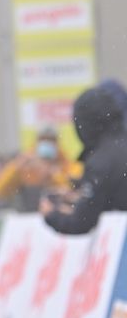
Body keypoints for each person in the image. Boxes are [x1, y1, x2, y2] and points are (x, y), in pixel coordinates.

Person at [40, 86, 127, 234]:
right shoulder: (116, 149)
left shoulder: (101, 161)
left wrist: (51, 214)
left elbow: (82, 221)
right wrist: (79, 191)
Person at [0, 126, 80, 212]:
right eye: (43, 140)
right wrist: (17, 167)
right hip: (29, 220)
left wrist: (53, 174)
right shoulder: (26, 166)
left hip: (59, 218)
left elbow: (73, 193)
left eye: (51, 140)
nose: (47, 144)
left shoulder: (67, 166)